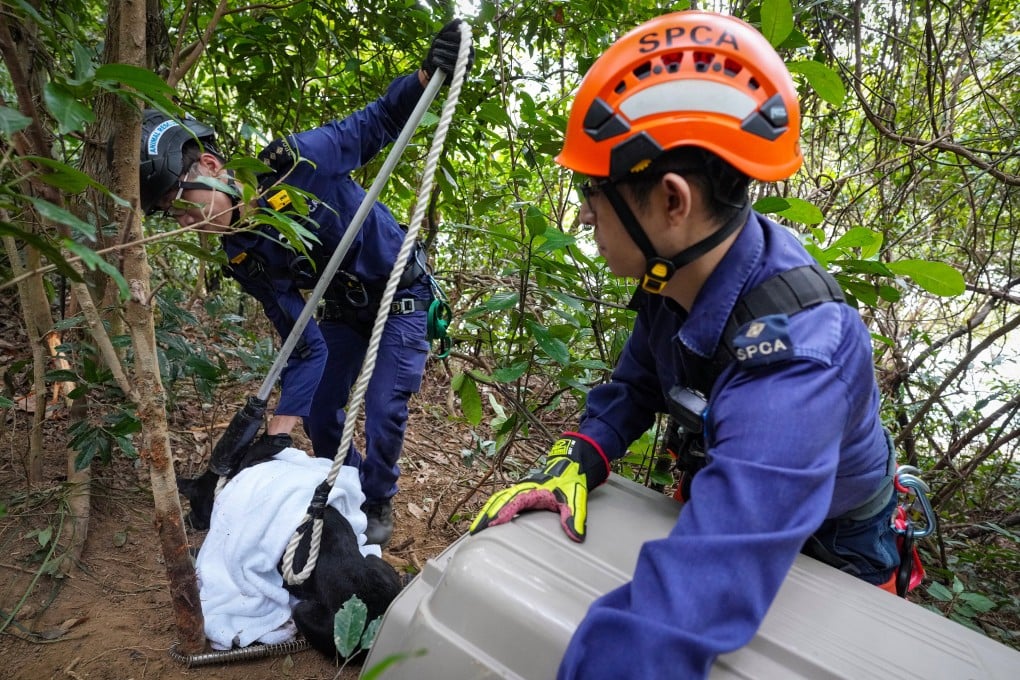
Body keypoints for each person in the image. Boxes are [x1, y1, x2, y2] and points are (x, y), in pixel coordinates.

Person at [470, 11, 901, 679]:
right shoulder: (679, 271)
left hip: (837, 541)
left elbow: (683, 606)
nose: (585, 214)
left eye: (593, 193)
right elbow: (638, 382)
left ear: (672, 200)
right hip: (736, 495)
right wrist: (580, 455)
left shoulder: (798, 358)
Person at [140, 20, 474, 547]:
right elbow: (303, 346)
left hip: (400, 295)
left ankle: (379, 495)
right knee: (320, 413)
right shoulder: (242, 253)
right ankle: (352, 486)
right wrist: (276, 434)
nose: (186, 221)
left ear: (210, 165)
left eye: (184, 203)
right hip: (342, 311)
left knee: (385, 405)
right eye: (170, 215)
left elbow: (379, 121)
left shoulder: (295, 163)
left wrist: (426, 74)